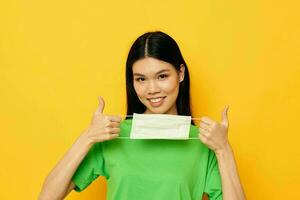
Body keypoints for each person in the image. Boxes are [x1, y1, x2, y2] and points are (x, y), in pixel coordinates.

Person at [38, 31, 246, 200]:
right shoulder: (112, 135)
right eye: (141, 79)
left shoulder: (204, 144)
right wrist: (88, 137)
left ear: (180, 73)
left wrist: (223, 149)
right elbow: (47, 197)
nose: (152, 89)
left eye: (162, 76)